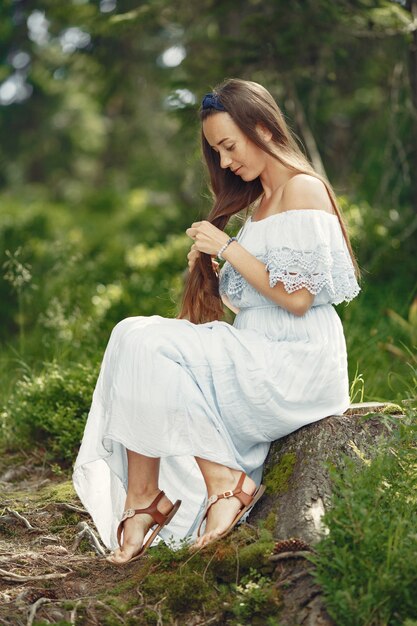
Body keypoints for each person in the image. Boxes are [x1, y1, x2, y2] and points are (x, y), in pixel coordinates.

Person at [72, 78, 361, 565]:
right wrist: (209, 269)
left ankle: (224, 485)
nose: (226, 162)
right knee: (130, 332)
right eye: (217, 151)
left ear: (264, 128)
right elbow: (255, 301)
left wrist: (227, 248)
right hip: (258, 353)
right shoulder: (259, 204)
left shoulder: (302, 189)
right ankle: (144, 499)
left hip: (298, 363)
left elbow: (297, 298)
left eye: (229, 146)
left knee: (154, 343)